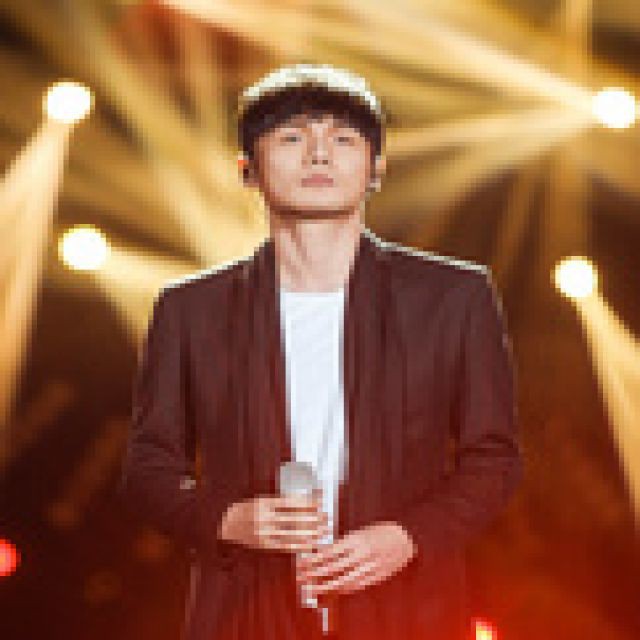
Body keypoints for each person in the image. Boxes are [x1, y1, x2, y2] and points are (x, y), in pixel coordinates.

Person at [118, 63, 523, 640]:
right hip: (245, 610)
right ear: (248, 170)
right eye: (291, 137)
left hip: (406, 609)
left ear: (376, 168)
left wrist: (407, 537)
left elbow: (493, 459)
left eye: (344, 139)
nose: (318, 155)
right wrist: (229, 519)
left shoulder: (453, 296)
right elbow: (148, 468)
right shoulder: (191, 308)